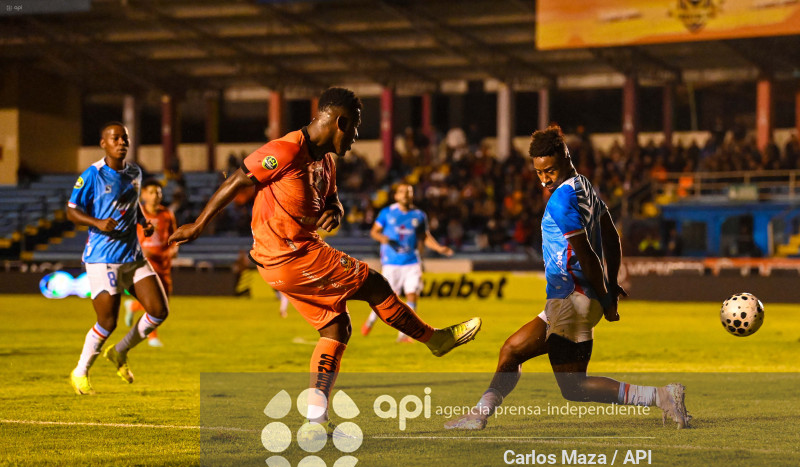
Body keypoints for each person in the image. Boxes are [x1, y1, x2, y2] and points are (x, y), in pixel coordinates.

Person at [169, 87, 481, 434]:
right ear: (341, 122)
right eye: (357, 127)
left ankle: (316, 417)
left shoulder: (326, 162)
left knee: (336, 327)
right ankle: (434, 340)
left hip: (288, 258)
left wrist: (335, 209)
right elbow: (240, 178)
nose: (357, 137)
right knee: (373, 283)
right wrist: (198, 225)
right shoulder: (286, 150)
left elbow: (332, 200)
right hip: (288, 254)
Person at [445, 125, 689, 430]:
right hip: (570, 299)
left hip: (572, 300)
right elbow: (611, 235)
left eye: (550, 169)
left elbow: (587, 254)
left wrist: (607, 296)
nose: (545, 178)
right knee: (512, 350)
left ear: (565, 156)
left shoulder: (561, 201)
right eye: (538, 172)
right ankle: (478, 415)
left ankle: (662, 396)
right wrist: (610, 285)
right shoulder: (583, 185)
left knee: (574, 387)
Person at [67, 122, 170, 395]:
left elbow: (131, 203)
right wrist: (97, 222)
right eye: (115, 138)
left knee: (159, 311)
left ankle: (119, 352)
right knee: (108, 322)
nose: (121, 142)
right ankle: (80, 371)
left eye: (125, 138)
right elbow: (72, 211)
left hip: (133, 255)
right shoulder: (92, 175)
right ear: (103, 143)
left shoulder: (135, 171)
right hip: (103, 258)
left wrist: (144, 222)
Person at [361, 183, 454, 342]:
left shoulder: (419, 215)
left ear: (412, 195)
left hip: (412, 262)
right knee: (386, 299)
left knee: (412, 295)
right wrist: (383, 238)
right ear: (396, 196)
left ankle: (404, 335)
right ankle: (370, 321)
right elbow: (374, 232)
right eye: (402, 192)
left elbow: (424, 237)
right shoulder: (387, 213)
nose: (405, 194)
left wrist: (439, 248)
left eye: (409, 192)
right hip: (391, 263)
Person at [124, 179, 177, 347]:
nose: (156, 196)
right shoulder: (136, 213)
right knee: (153, 302)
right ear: (144, 194)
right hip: (143, 262)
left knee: (164, 304)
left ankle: (132, 306)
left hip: (163, 261)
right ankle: (152, 337)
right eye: (152, 192)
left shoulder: (167, 214)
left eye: (158, 192)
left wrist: (174, 249)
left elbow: (174, 237)